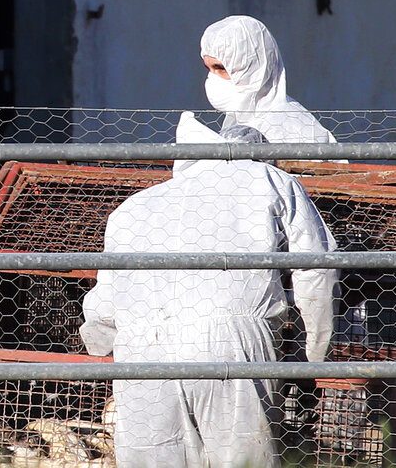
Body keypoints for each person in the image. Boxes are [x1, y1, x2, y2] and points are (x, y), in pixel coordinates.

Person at [80, 112, 336, 468]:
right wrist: (314, 354)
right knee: (244, 459)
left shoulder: (132, 207)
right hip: (229, 342)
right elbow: (316, 271)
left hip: (141, 352)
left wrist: (103, 342)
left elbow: (103, 308)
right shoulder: (269, 179)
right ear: (263, 155)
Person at [200, 15, 337, 144]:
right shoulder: (240, 117)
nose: (213, 77)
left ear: (251, 68)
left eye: (222, 68)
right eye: (208, 69)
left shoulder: (289, 126)